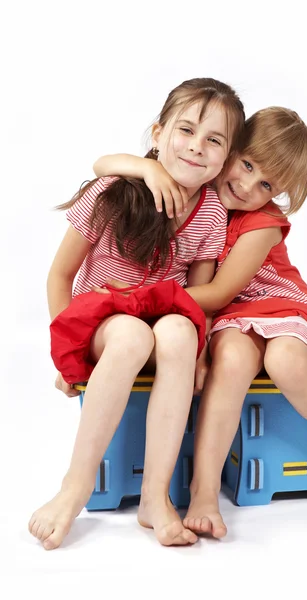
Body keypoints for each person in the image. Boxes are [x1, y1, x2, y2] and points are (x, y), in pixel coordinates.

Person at [92, 106, 307, 539]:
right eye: (246, 164)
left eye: (266, 183)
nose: (246, 186)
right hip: (224, 320)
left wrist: (137, 300)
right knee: (229, 356)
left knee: (284, 358)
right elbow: (101, 166)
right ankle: (205, 491)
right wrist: (145, 170)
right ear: (228, 148)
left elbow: (219, 293)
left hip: (275, 305)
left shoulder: (262, 223)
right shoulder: (192, 183)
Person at [28, 77, 246, 550]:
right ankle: (74, 487)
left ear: (225, 157)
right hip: (104, 325)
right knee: (131, 335)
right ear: (157, 132)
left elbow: (198, 299)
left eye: (213, 139)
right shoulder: (113, 190)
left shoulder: (211, 213)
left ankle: (155, 497)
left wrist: (203, 358)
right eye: (186, 130)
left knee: (178, 333)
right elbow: (59, 276)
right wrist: (66, 360)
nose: (196, 147)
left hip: (162, 325)